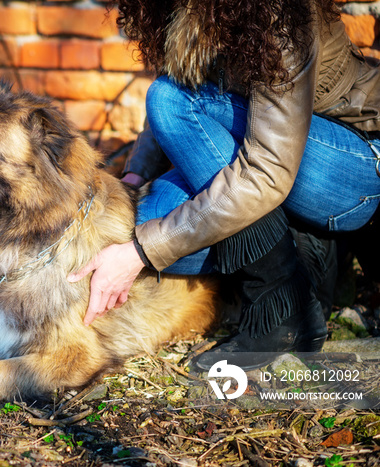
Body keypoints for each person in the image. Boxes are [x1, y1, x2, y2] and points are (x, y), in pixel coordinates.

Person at [68, 0, 380, 370]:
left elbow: (266, 170)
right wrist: (134, 177)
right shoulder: (191, 11)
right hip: (259, 160)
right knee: (139, 221)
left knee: (169, 101)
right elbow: (178, 95)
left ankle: (283, 306)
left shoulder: (279, 11)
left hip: (351, 165)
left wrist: (139, 253)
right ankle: (302, 250)